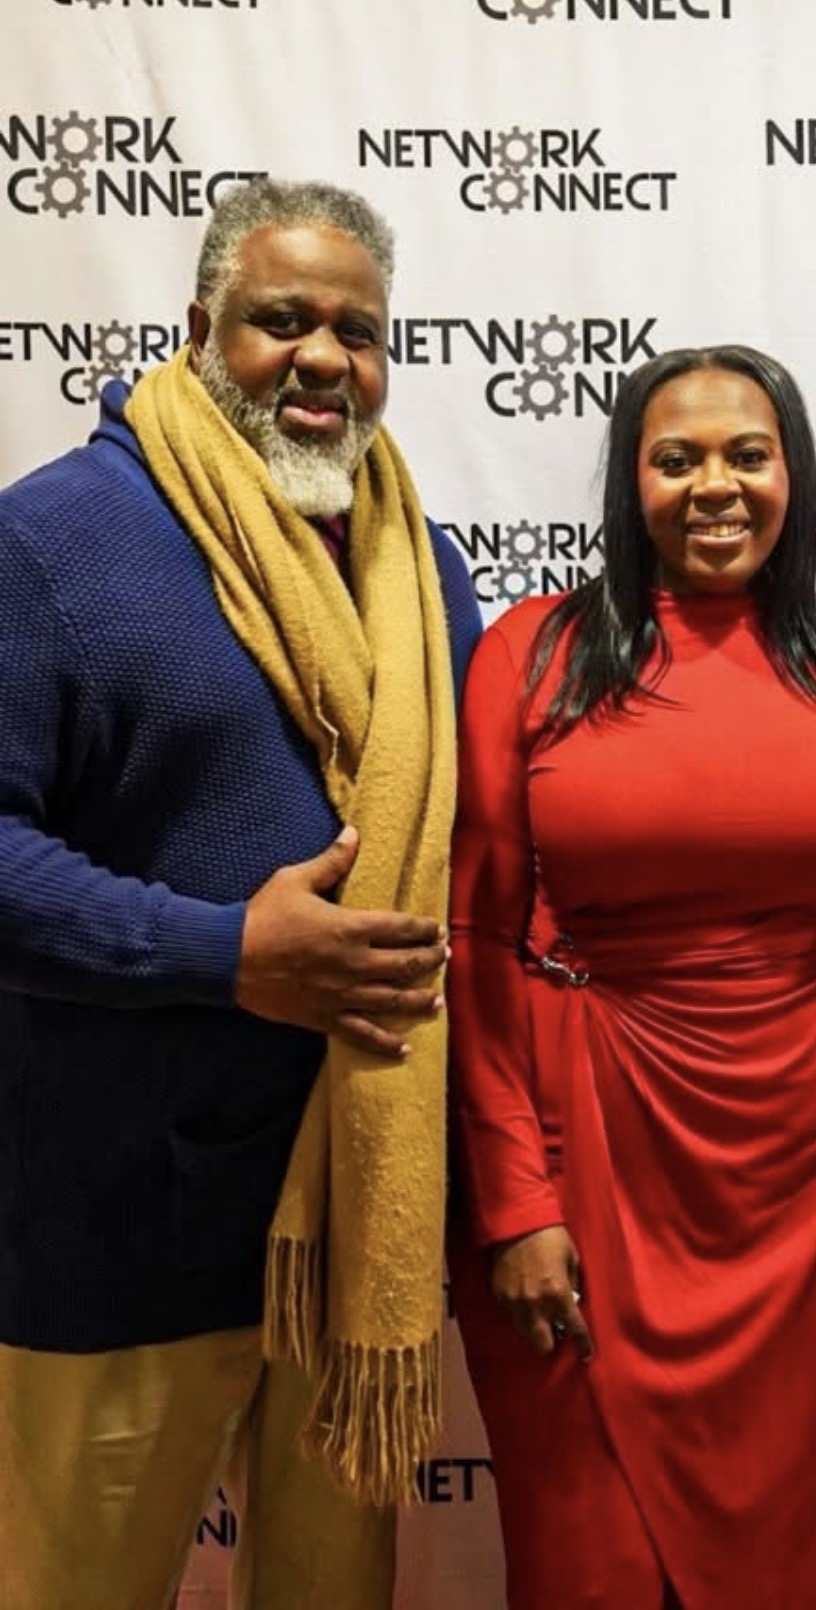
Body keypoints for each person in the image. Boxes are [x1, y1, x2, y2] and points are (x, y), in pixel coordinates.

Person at [0, 178, 481, 1609]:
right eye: (282, 320)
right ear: (199, 327)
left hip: (353, 1234)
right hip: (115, 1226)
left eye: (359, 328)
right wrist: (223, 951)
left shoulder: (419, 565)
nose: (324, 357)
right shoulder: (57, 540)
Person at [448, 343, 816, 1610]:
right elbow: (478, 939)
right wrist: (513, 1202)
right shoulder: (533, 651)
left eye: (748, 455)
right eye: (678, 458)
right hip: (587, 1141)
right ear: (629, 480)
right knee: (590, 1550)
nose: (717, 486)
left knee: (793, 1537)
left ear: (793, 473)